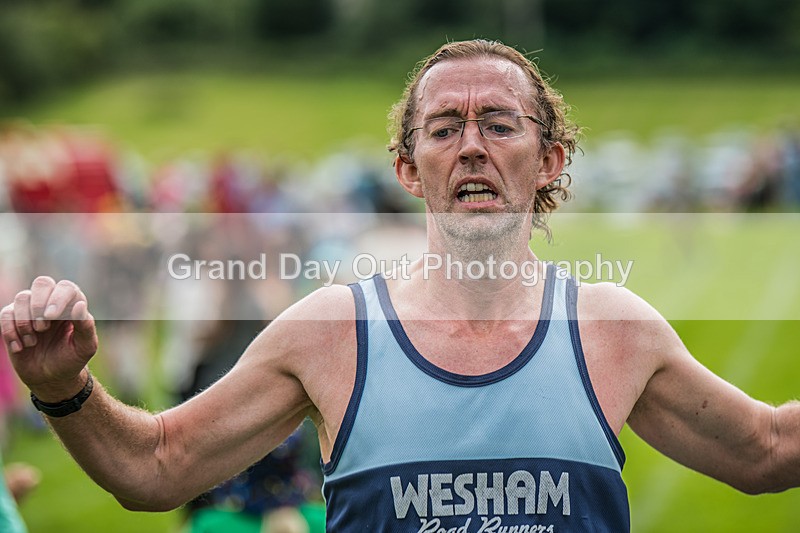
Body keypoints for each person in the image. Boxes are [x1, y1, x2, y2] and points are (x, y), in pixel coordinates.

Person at [2, 39, 800, 532]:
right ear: (409, 170)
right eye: (445, 129)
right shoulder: (329, 333)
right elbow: (158, 467)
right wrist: (64, 388)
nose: (473, 147)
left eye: (500, 122)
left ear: (550, 159)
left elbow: (767, 450)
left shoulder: (616, 329)